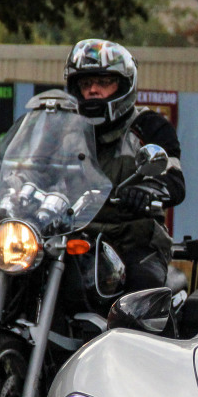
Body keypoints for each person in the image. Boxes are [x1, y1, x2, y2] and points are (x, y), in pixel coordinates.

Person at [64, 38, 186, 291]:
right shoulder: (63, 131)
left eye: (104, 82)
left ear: (123, 85)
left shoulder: (149, 126)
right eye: (86, 84)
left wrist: (146, 191)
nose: (93, 90)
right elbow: (36, 168)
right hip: (72, 238)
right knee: (8, 278)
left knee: (141, 291)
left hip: (133, 240)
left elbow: (173, 180)